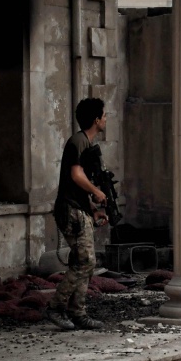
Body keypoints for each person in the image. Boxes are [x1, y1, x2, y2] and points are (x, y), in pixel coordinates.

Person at [45, 98, 109, 330]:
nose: (106, 119)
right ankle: (56, 307)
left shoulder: (84, 142)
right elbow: (76, 175)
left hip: (79, 209)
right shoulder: (78, 141)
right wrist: (96, 192)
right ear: (96, 120)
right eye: (104, 115)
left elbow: (77, 185)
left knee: (84, 262)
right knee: (85, 261)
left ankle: (78, 313)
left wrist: (93, 209)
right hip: (71, 210)